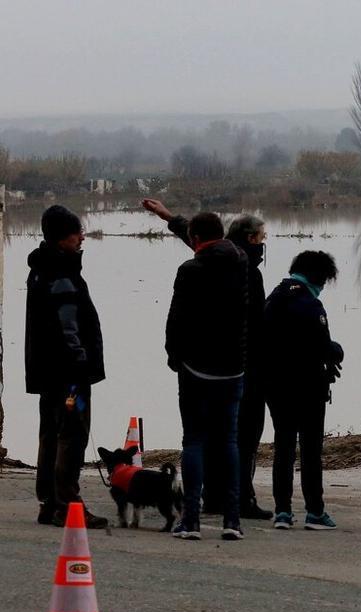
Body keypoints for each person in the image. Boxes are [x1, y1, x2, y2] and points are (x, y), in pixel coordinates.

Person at [142, 199, 272, 520]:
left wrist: (169, 217)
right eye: (262, 238)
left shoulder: (199, 266)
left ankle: (208, 500)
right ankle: (238, 500)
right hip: (242, 368)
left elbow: (199, 242)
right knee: (238, 437)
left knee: (204, 437)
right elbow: (257, 326)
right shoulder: (244, 267)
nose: (265, 243)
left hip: (199, 367)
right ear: (249, 240)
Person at [165, 212, 248, 541]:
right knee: (228, 440)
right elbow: (210, 248)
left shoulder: (189, 270)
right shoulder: (240, 261)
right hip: (234, 367)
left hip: (196, 368)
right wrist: (171, 218)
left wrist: (174, 356)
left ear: (195, 240)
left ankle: (191, 520)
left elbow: (177, 319)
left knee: (194, 440)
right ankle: (232, 520)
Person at [26, 206, 108, 529]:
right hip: (69, 375)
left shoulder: (40, 269)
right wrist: (81, 363)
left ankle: (48, 501)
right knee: (72, 433)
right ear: (62, 238)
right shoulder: (62, 274)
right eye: (77, 233)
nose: (82, 237)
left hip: (46, 373)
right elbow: (68, 325)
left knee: (49, 432)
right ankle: (68, 503)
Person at [262, 251, 343, 531]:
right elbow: (324, 347)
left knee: (283, 446)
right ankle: (315, 511)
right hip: (308, 386)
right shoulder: (311, 304)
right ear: (319, 276)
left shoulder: (273, 298)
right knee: (310, 449)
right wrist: (337, 351)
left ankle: (282, 510)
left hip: (275, 385)